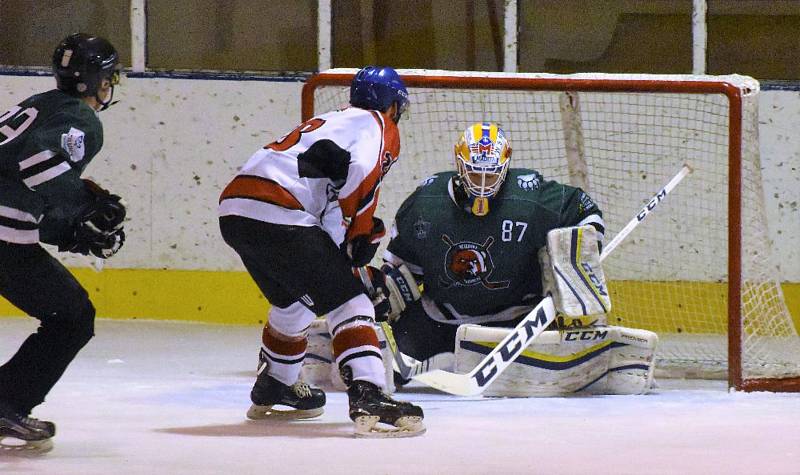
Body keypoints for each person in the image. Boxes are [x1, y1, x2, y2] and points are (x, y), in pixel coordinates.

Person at [219, 66, 424, 437]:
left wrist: (345, 247)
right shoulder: (379, 125)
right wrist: (361, 234)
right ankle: (369, 394)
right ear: (393, 105)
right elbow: (362, 171)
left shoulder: (331, 121)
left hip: (236, 212)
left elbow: (329, 202)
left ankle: (276, 383)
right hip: (280, 211)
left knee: (293, 304)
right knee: (353, 303)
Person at [378, 122, 606, 380]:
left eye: (492, 174)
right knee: (381, 371)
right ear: (459, 164)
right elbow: (399, 270)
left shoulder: (528, 196)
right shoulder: (426, 202)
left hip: (516, 323)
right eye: (475, 174)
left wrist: (582, 253)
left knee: (559, 376)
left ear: (505, 165)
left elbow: (584, 210)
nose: (483, 185)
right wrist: (382, 301)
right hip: (443, 319)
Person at [0, 33, 127, 452]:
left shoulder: (37, 103)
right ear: (98, 82)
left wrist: (67, 229)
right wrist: (81, 210)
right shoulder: (83, 120)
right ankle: (7, 403)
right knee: (72, 318)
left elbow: (25, 179)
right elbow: (36, 161)